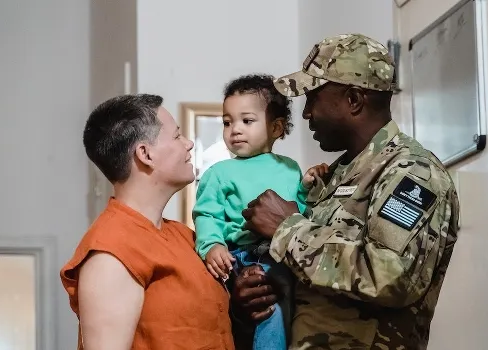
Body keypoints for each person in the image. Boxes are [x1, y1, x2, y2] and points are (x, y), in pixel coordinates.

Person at [231, 33, 461, 349]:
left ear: (353, 100)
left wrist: (287, 228)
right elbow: (318, 274)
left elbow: (390, 275)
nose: (306, 112)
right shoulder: (336, 175)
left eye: (312, 98)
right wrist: (261, 290)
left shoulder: (412, 171)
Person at [59, 94, 234, 349]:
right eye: (176, 136)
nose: (188, 144)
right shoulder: (111, 252)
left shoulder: (184, 237)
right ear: (145, 153)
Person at [192, 74, 326, 350]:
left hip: (286, 256)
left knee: (303, 312)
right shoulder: (219, 173)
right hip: (246, 257)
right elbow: (207, 214)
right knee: (270, 312)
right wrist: (212, 244)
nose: (235, 130)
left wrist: (307, 187)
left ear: (276, 128)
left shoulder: (289, 167)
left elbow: (298, 211)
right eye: (227, 122)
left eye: (247, 121)